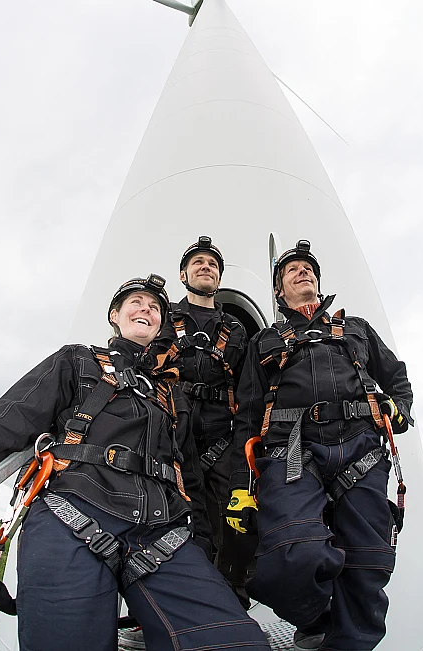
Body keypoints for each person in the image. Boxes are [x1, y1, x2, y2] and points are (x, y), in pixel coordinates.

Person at [0, 274, 270, 651]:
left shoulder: (172, 395)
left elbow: (190, 483)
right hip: (73, 514)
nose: (146, 310)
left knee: (239, 643)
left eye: (155, 309)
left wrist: (197, 547)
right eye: (136, 302)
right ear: (115, 315)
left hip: (161, 532)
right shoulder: (77, 360)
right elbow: (9, 421)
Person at [227, 241, 414, 651]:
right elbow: (247, 415)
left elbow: (397, 378)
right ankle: (318, 617)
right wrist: (241, 486)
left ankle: (347, 642)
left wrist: (398, 408)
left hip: (360, 448)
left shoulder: (356, 329)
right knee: (289, 559)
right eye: (291, 270)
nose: (302, 272)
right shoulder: (264, 341)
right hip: (290, 451)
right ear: (279, 292)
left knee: (369, 563)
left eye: (307, 268)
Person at [157, 237, 257, 608]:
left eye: (213, 264)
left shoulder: (236, 330)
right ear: (183, 274)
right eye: (198, 262)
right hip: (167, 434)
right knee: (167, 520)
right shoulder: (162, 318)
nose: (206, 267)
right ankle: (162, 607)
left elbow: (250, 388)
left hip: (221, 437)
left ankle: (232, 603)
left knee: (235, 523)